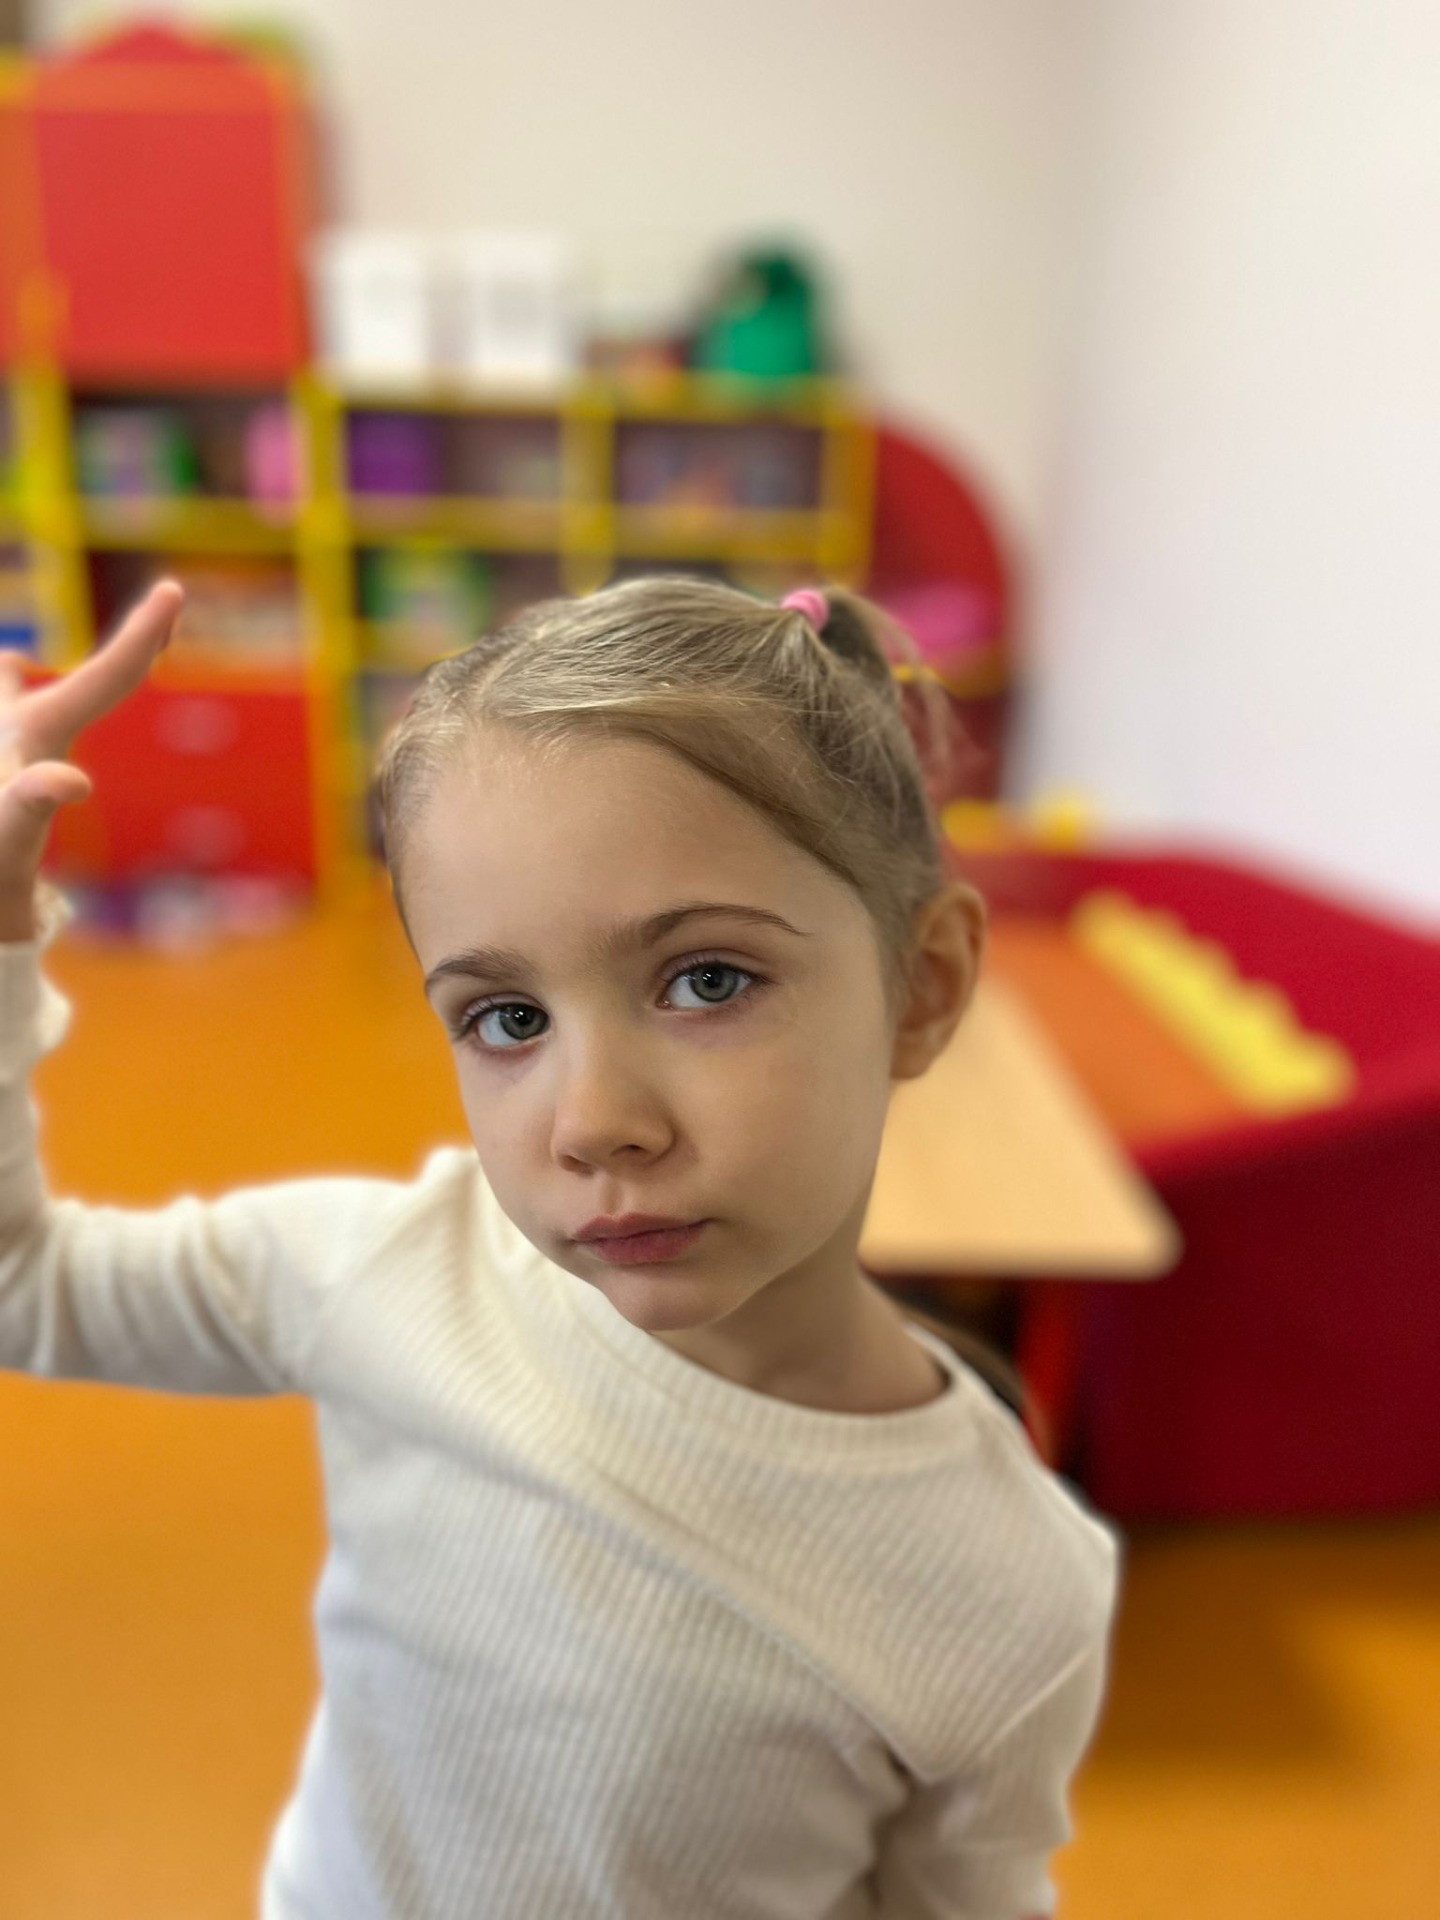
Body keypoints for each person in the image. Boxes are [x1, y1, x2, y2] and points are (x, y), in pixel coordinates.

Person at [0, 575, 1119, 1919]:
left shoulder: (1009, 1587)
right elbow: (24, 1287)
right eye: (507, 1019)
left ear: (922, 988)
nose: (592, 1123)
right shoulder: (386, 1273)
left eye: (707, 980)